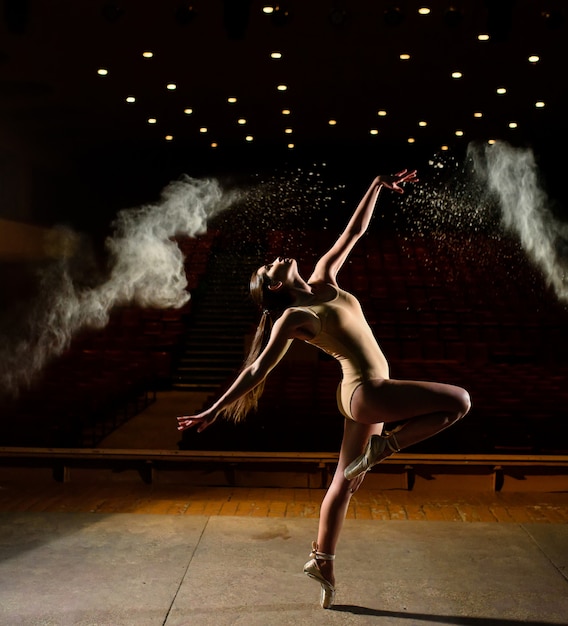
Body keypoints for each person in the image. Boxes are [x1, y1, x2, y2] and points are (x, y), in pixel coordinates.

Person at [177, 170, 471, 609]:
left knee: (344, 483)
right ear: (275, 285)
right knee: (459, 401)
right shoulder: (292, 317)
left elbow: (354, 231)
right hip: (368, 393)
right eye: (268, 266)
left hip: (360, 396)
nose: (274, 258)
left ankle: (322, 560)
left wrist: (374, 184)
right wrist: (214, 409)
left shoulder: (324, 278)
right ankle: (386, 446)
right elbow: (257, 367)